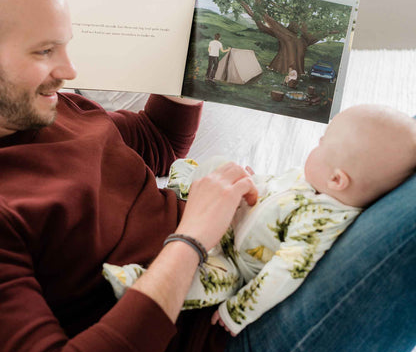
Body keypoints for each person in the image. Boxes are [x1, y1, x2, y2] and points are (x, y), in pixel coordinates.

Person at [0, 0, 415, 352]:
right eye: (44, 52)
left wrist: (189, 24)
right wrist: (193, 236)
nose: (69, 69)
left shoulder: (49, 110)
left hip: (247, 269)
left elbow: (153, 141)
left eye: (65, 44)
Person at [103, 104, 416, 336]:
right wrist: (256, 184)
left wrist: (236, 312)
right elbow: (278, 186)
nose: (315, 147)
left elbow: (283, 273)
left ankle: (135, 284)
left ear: (337, 179)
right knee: (218, 165)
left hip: (236, 263)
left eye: (321, 144)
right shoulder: (313, 182)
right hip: (231, 223)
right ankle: (182, 184)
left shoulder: (320, 221)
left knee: (207, 282)